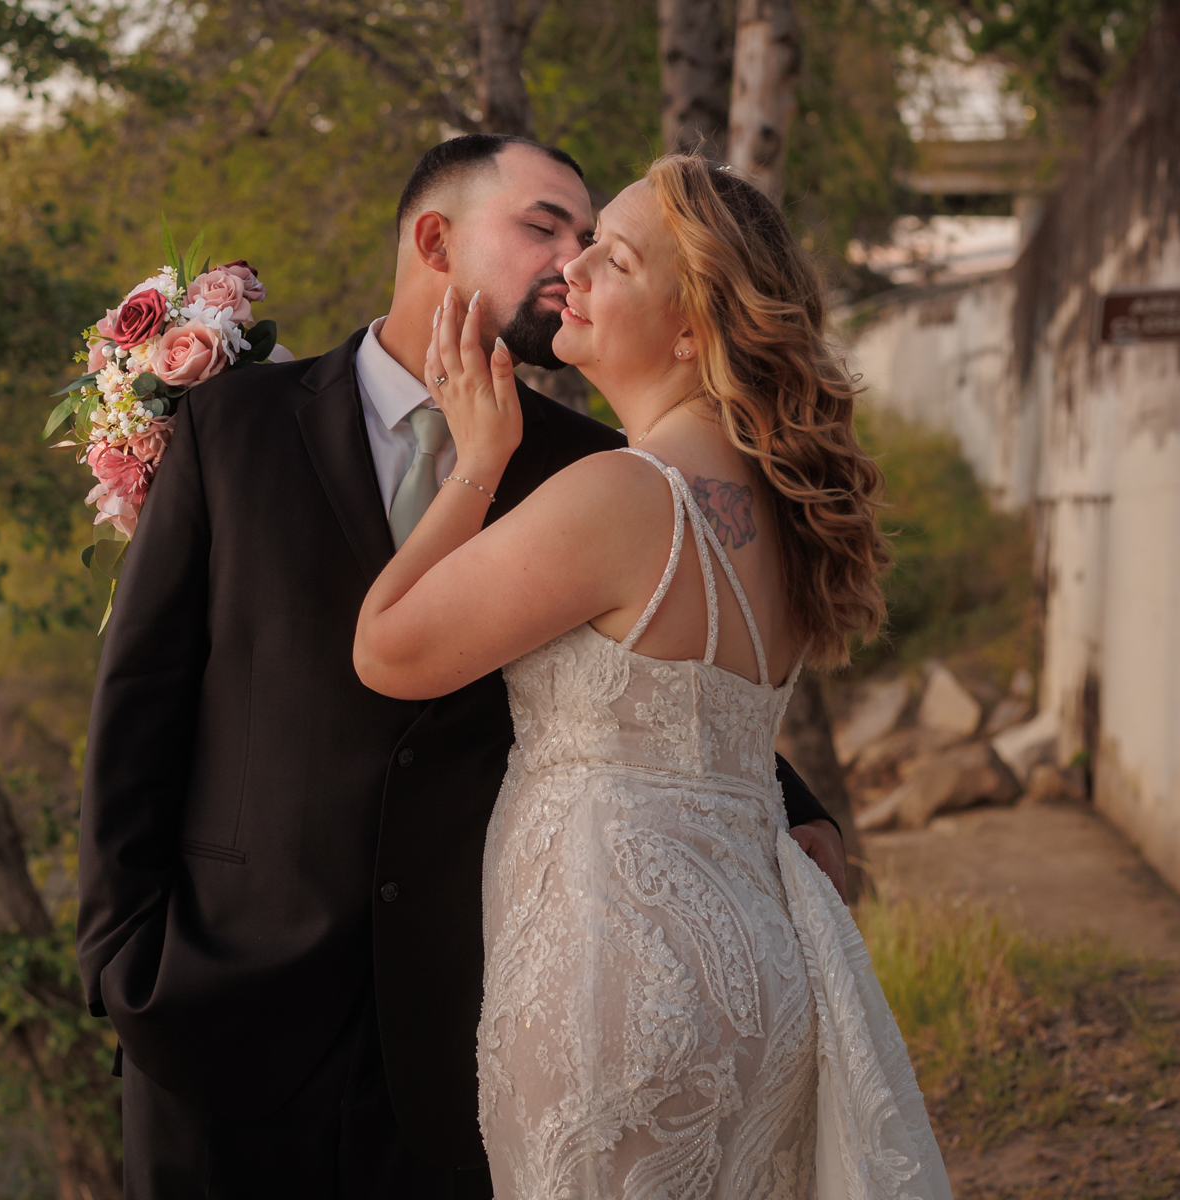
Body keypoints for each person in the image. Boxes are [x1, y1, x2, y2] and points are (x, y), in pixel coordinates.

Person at [76, 135, 848, 1200]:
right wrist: (119, 964)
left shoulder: (595, 465)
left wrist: (800, 809)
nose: (569, 260)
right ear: (434, 240)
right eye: (545, 226)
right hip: (223, 1018)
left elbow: (675, 675)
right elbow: (141, 699)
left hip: (467, 1031)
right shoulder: (236, 423)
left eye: (594, 243)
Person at [353, 154, 952, 1199]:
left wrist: (480, 460)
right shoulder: (777, 509)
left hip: (613, 983)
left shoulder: (625, 496)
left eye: (612, 258)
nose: (571, 271)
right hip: (759, 968)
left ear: (691, 328)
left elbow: (390, 650)